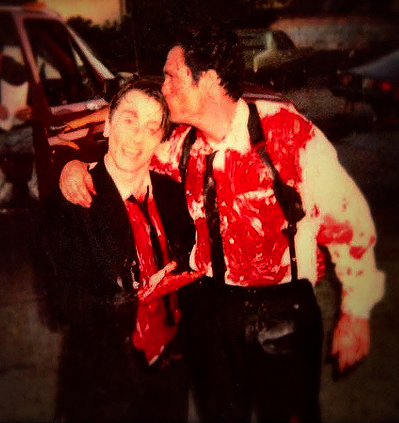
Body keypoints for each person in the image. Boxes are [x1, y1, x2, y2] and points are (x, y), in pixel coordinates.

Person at [58, 24, 385, 423]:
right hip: (210, 312)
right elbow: (124, 161)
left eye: (171, 75)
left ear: (208, 79)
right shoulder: (180, 146)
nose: (164, 87)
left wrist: (355, 312)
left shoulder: (287, 134)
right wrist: (74, 169)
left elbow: (349, 225)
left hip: (282, 313)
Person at [43, 79, 200, 422]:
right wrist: (135, 298)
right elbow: (61, 305)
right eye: (129, 120)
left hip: (169, 376)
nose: (137, 138)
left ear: (161, 138)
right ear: (108, 124)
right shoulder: (73, 202)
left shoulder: (173, 195)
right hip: (105, 383)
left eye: (150, 127)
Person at [0, 35, 38, 205]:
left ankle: (36, 190)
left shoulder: (18, 71)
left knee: (43, 141)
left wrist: (31, 110)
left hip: (21, 131)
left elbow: (39, 102)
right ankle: (2, 192)